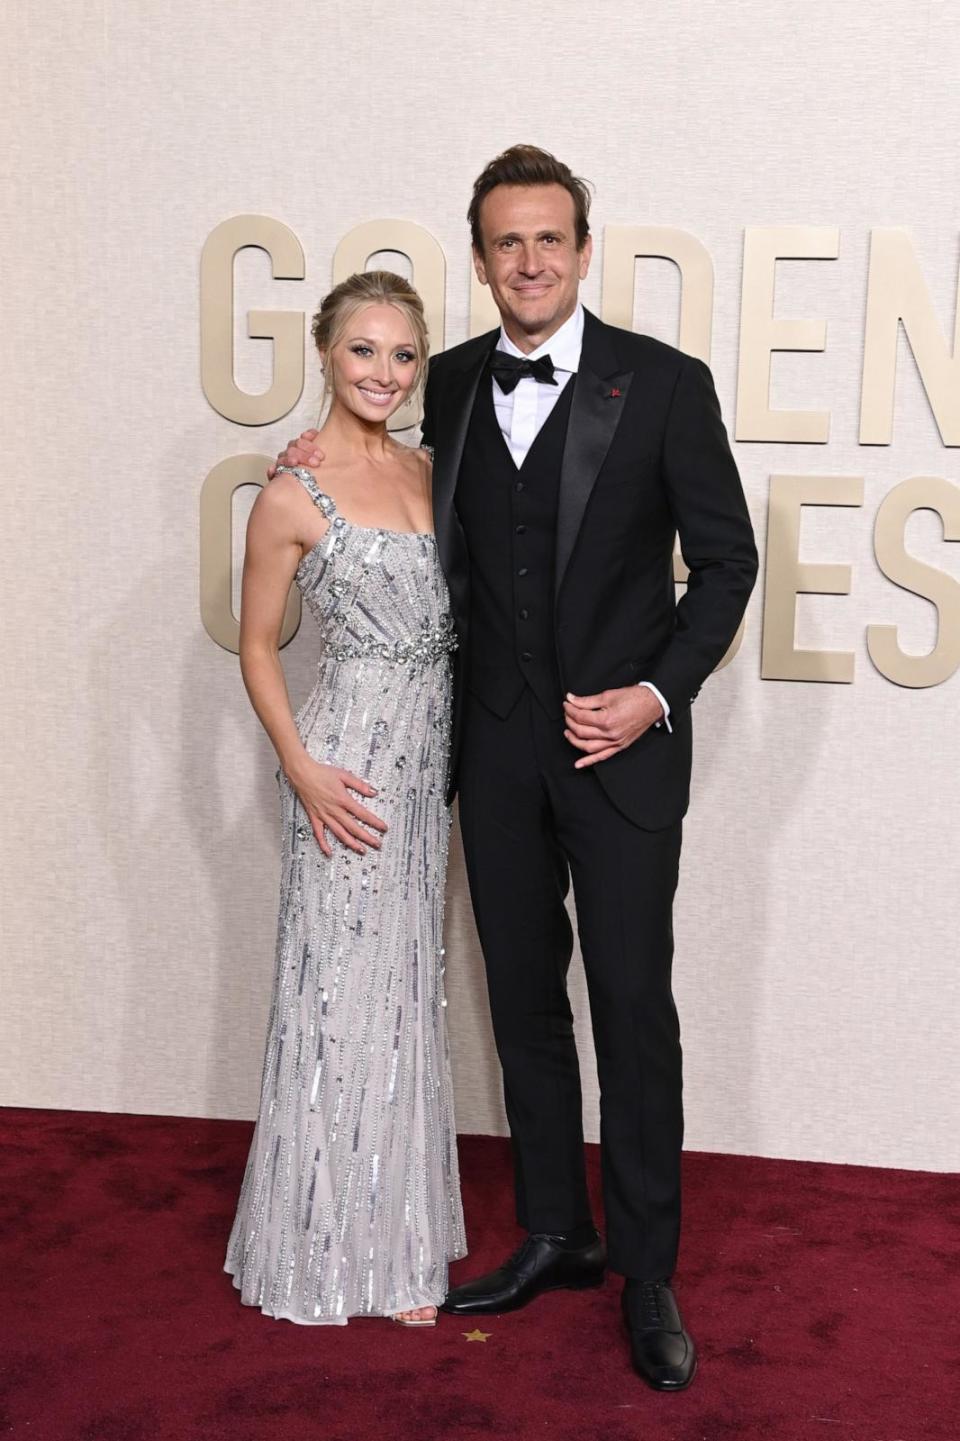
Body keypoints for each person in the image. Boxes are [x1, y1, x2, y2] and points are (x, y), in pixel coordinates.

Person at [275, 144, 758, 1388]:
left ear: (583, 250)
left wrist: (655, 696)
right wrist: (304, 468)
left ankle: (646, 1268)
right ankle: (557, 1227)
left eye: (551, 239)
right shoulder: (438, 380)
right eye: (506, 242)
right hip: (488, 755)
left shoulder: (664, 385)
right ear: (482, 257)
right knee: (526, 1005)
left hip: (623, 760)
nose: (531, 261)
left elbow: (728, 564)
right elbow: (379, 492)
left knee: (634, 1011)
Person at [226, 270, 466, 1327]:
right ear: (326, 352)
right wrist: (299, 766)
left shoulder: (431, 467)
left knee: (407, 994)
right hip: (344, 767)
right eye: (364, 350)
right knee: (335, 999)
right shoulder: (291, 492)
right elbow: (255, 646)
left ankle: (397, 1246)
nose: (384, 371)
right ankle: (320, 1247)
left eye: (404, 355)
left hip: (426, 772)